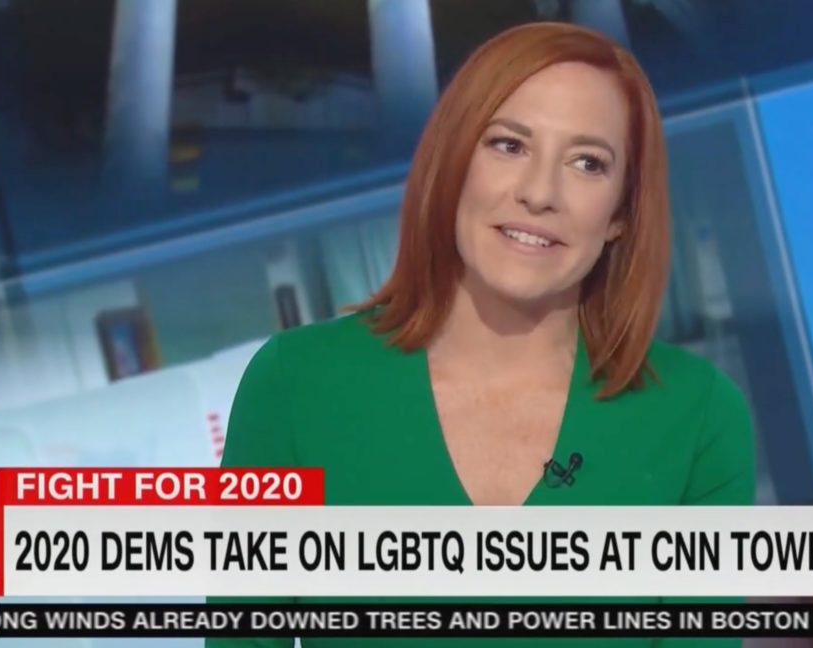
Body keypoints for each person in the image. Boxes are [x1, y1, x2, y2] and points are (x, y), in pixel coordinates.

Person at [211, 21, 755, 648]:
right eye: (509, 145)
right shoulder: (294, 384)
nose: (539, 193)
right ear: (454, 164)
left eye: (587, 163)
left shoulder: (698, 417)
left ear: (620, 214)